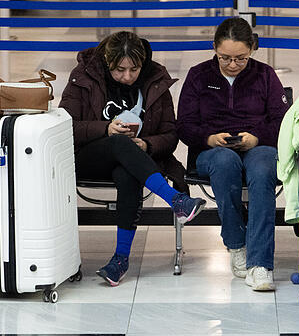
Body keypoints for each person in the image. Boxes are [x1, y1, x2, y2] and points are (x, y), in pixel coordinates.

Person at [59, 31, 205, 286]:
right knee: (118, 141)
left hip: (137, 162)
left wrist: (146, 144)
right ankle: (176, 200)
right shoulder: (83, 76)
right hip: (90, 157)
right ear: (107, 61)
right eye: (119, 70)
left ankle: (120, 260)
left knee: (128, 170)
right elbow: (66, 126)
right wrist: (105, 128)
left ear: (143, 63)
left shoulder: (156, 79)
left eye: (133, 69)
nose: (127, 76)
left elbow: (171, 134)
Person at [176, 17, 290, 291]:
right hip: (211, 152)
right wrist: (210, 138)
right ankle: (236, 243)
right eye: (225, 58)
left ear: (252, 50)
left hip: (257, 147)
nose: (232, 64)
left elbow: (283, 121)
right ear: (214, 48)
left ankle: (260, 264)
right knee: (225, 162)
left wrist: (257, 137)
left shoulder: (265, 75)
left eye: (240, 58)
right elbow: (184, 125)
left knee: (263, 170)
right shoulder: (198, 75)